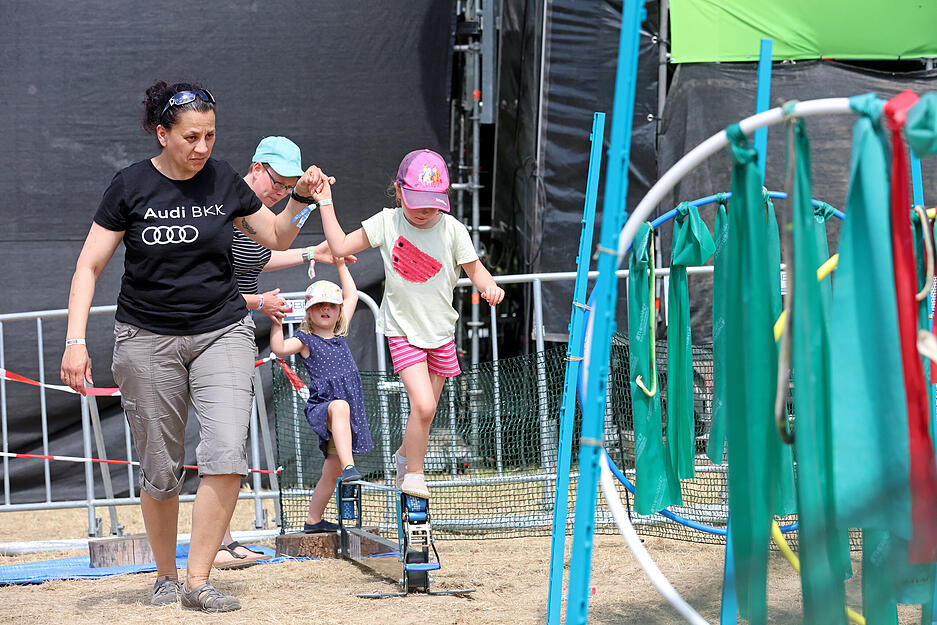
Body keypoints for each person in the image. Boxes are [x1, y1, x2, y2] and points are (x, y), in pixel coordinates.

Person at [59, 80, 333, 612]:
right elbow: (88, 266)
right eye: (190, 136)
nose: (202, 147)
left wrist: (300, 199)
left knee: (226, 452)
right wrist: (75, 341)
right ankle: (164, 574)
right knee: (161, 467)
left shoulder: (225, 180)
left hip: (221, 331)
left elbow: (274, 237)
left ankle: (198, 580)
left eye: (209, 135)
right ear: (162, 134)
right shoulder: (130, 186)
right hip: (146, 338)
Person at [315, 148, 504, 498]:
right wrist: (325, 200)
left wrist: (491, 287)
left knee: (425, 414)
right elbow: (339, 246)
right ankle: (414, 472)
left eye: (432, 203)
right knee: (425, 405)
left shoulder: (453, 230)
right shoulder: (387, 222)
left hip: (441, 334)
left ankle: (405, 456)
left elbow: (477, 271)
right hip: (403, 332)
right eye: (416, 202)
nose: (424, 211)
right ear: (399, 191)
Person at [214, 136, 357, 569]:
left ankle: (223, 537)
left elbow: (259, 255)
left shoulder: (252, 214)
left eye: (288, 188)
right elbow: (215, 284)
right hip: (211, 329)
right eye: (277, 184)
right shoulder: (223, 204)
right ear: (256, 167)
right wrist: (261, 304)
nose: (279, 195)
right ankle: (219, 540)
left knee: (228, 437)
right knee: (220, 438)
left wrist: (310, 251)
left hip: (230, 330)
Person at [269, 261, 374, 531]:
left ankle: (313, 520)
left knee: (330, 471)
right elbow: (280, 348)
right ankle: (351, 469)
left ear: (338, 312)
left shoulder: (341, 333)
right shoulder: (306, 339)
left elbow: (351, 295)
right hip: (325, 405)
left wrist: (341, 263)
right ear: (309, 312)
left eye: (331, 305)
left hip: (349, 407)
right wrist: (277, 323)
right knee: (338, 407)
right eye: (318, 306)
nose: (325, 309)